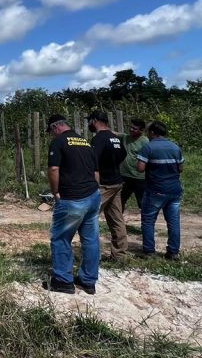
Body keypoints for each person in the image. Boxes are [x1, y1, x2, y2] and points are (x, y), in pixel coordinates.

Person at [44, 113, 100, 295]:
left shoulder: (59, 142)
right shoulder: (85, 142)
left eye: (51, 132)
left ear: (55, 127)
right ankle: (88, 281)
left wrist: (55, 192)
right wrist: (93, 191)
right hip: (93, 195)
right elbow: (96, 172)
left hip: (72, 198)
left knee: (61, 238)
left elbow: (53, 169)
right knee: (90, 239)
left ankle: (63, 281)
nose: (52, 135)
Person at [136, 121, 184, 260]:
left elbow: (140, 168)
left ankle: (149, 252)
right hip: (174, 190)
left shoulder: (148, 147)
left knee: (148, 220)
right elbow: (181, 168)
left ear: (152, 132)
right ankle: (173, 252)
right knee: (173, 222)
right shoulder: (175, 147)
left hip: (156, 190)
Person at [87, 110, 128, 261]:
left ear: (95, 120)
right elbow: (123, 155)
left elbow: (92, 161)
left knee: (89, 218)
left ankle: (91, 255)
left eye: (89, 121)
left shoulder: (98, 139)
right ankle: (119, 255)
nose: (88, 124)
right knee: (117, 220)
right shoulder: (115, 138)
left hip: (104, 185)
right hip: (117, 183)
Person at [119, 118, 149, 212]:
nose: (131, 130)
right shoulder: (125, 137)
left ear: (141, 130)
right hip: (125, 175)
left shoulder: (145, 141)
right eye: (131, 127)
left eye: (134, 128)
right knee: (121, 200)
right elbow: (112, 132)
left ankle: (147, 224)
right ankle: (119, 224)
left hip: (139, 177)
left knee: (142, 202)